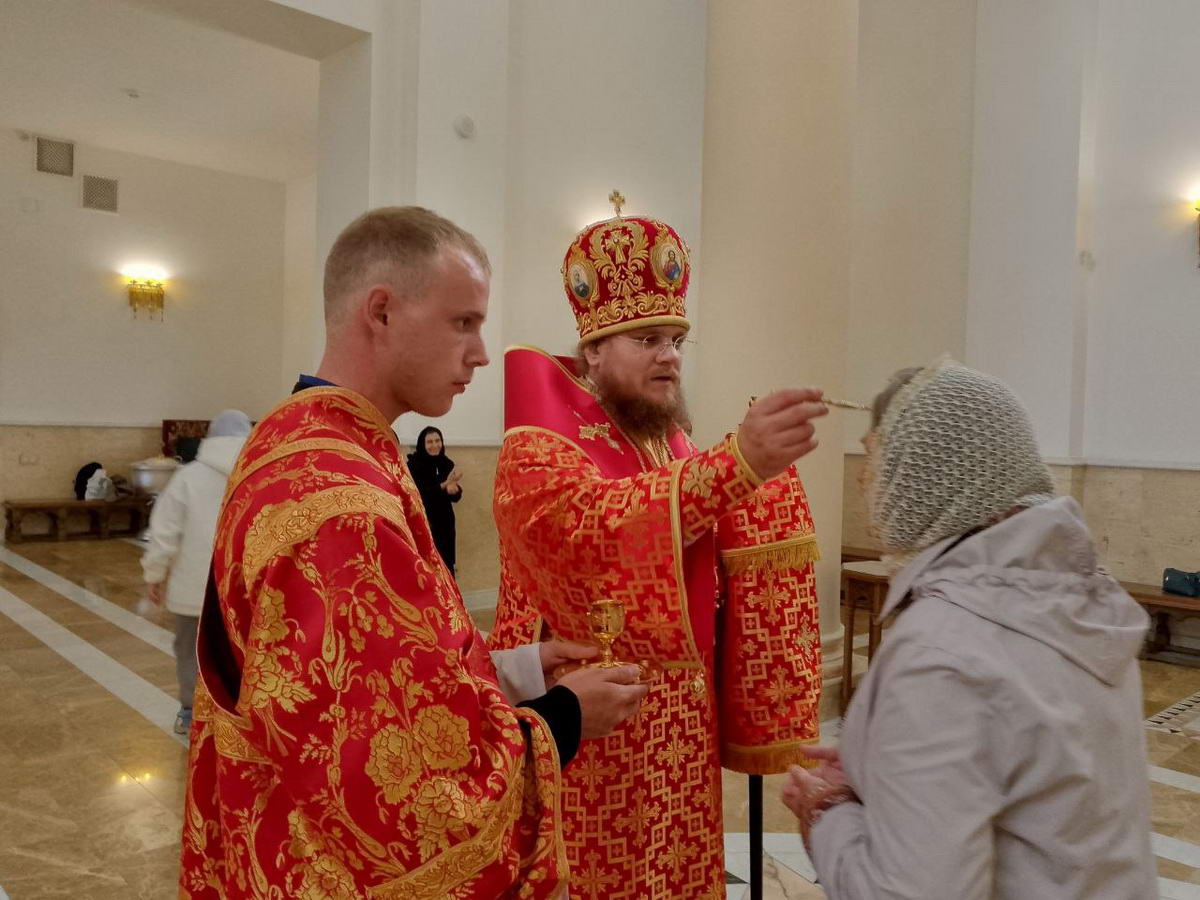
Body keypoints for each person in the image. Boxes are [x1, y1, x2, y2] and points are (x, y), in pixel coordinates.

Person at [179, 206, 649, 899]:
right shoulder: (338, 503)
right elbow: (403, 801)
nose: (482, 352)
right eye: (464, 322)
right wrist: (566, 719)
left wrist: (514, 669)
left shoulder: (303, 440)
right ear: (382, 312)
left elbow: (360, 684)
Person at [488, 202, 828, 899]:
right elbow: (590, 529)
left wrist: (755, 483)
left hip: (682, 726)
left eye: (676, 339)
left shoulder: (665, 440)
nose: (670, 355)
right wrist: (737, 465)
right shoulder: (539, 446)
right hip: (596, 731)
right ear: (593, 351)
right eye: (646, 339)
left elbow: (695, 528)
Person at [782, 360, 1156, 899]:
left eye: (875, 462)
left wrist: (828, 814)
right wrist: (879, 762)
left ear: (921, 476)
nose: (866, 485)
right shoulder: (1083, 600)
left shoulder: (941, 650)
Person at [141, 409, 253, 734]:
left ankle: (190, 714)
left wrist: (154, 575)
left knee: (190, 650)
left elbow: (164, 533)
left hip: (193, 590)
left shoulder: (187, 477)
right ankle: (236, 714)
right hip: (243, 590)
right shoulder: (259, 475)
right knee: (239, 651)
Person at [407, 425, 461, 574]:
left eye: (438, 441)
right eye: (429, 442)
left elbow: (455, 497)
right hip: (424, 520)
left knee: (447, 564)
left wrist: (454, 490)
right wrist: (444, 485)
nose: (435, 445)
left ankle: (448, 590)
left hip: (445, 522)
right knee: (426, 566)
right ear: (422, 444)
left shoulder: (447, 463)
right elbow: (420, 493)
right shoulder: (413, 465)